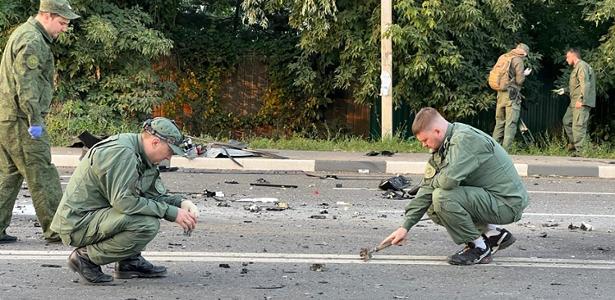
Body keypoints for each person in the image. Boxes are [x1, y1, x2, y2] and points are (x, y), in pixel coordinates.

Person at [50, 117, 200, 284]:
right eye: (170, 151)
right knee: (146, 224)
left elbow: (151, 196)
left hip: (97, 216)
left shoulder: (143, 155)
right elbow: (125, 202)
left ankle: (129, 262)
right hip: (77, 223)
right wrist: (170, 213)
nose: (168, 158)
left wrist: (181, 204)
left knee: (146, 211)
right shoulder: (123, 153)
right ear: (155, 142)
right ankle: (85, 258)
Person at [381, 107, 529, 265]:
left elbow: (447, 182)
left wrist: (432, 182)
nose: (423, 145)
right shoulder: (444, 145)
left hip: (507, 203)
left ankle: (479, 248)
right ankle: (492, 234)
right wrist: (405, 227)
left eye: (425, 140)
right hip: (490, 198)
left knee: (442, 196)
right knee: (432, 202)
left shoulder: (465, 140)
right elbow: (427, 187)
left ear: (437, 131)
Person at [0, 0, 80, 243]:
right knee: (42, 173)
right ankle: (58, 229)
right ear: (47, 16)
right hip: (22, 119)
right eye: (62, 22)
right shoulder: (33, 41)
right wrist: (35, 120)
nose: (64, 28)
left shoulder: (25, 34)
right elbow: (27, 86)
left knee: (9, 174)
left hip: (8, 117)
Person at [553, 48, 596, 154]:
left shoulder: (581, 66)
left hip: (580, 102)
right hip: (573, 102)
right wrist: (564, 90)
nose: (566, 59)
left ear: (573, 55)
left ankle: (581, 152)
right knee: (567, 121)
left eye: (567, 57)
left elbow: (585, 84)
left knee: (578, 126)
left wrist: (581, 99)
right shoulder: (576, 68)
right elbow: (576, 85)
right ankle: (574, 144)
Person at [492, 43, 532, 150]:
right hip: (512, 95)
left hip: (500, 94)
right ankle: (506, 150)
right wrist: (524, 74)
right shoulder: (518, 60)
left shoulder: (504, 57)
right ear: (524, 53)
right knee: (511, 123)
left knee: (499, 122)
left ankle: (494, 149)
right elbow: (519, 80)